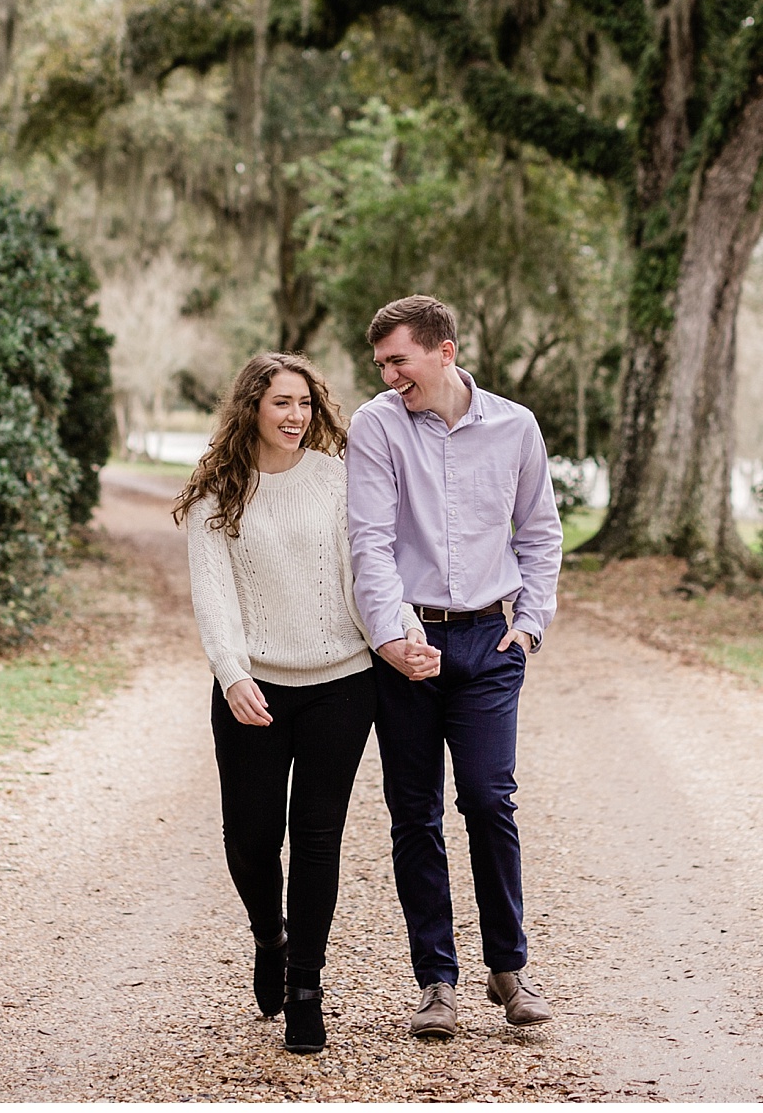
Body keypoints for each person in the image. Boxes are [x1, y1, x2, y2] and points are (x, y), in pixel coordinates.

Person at [345, 294, 564, 1040]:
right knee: (415, 813)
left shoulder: (515, 426)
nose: (388, 375)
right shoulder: (377, 425)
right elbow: (369, 542)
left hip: (487, 644)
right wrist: (392, 634)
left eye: (397, 360)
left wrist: (528, 628)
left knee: (488, 799)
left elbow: (540, 533)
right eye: (381, 364)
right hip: (405, 645)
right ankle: (436, 981)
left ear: (444, 350)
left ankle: (510, 968)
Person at [174, 352, 391, 1055]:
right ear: (252, 410)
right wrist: (232, 673)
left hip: (342, 681)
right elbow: (214, 596)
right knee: (251, 837)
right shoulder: (218, 493)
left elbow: (365, 573)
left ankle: (306, 989)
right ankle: (270, 933)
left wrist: (400, 637)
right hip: (253, 690)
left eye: (304, 402)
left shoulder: (337, 479)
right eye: (280, 403)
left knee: (319, 836)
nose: (295, 415)